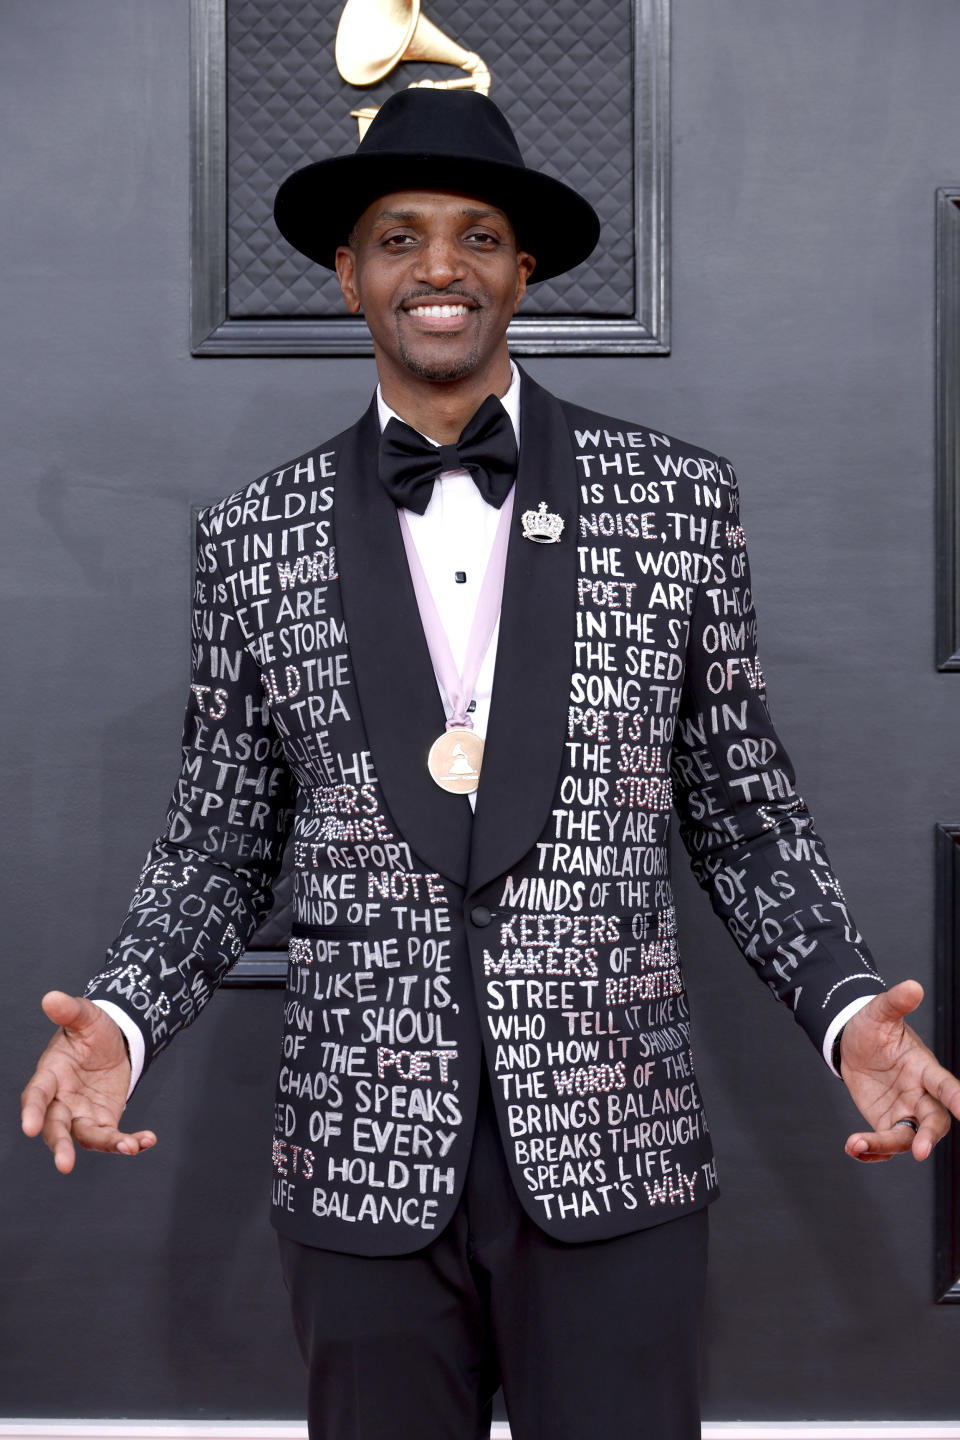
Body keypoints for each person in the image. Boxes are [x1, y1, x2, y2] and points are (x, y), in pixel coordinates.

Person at [21, 88, 960, 1440]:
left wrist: (847, 1009)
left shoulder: (677, 502)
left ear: (523, 271)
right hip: (361, 1160)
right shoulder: (252, 537)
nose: (441, 268)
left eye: (477, 236)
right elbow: (217, 842)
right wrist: (117, 1020)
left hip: (614, 1149)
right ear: (350, 279)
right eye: (399, 238)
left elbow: (743, 815)